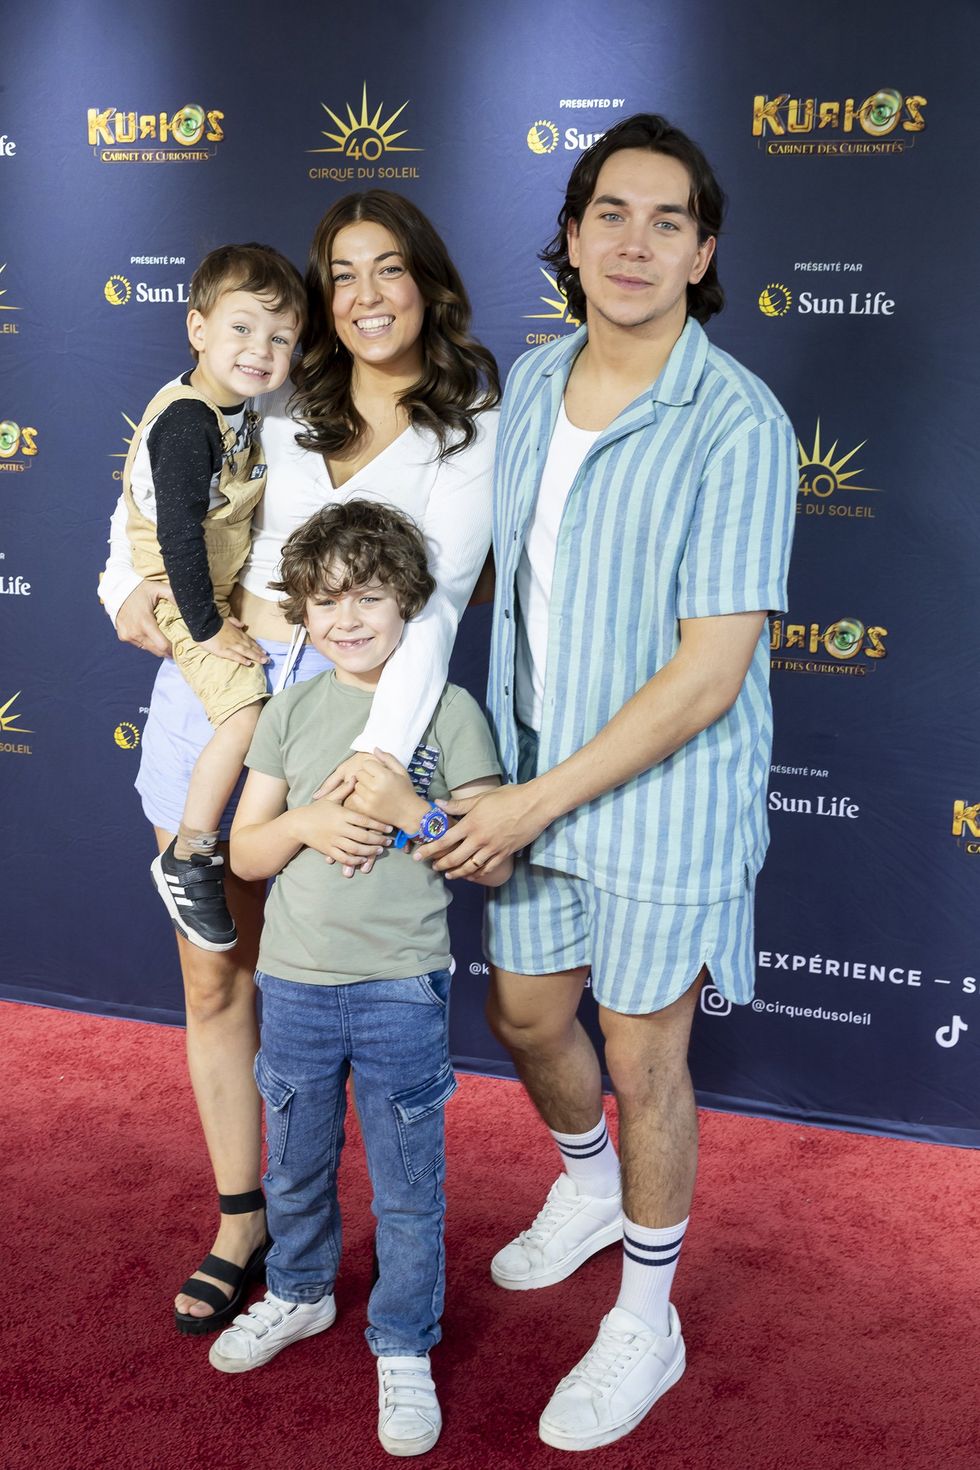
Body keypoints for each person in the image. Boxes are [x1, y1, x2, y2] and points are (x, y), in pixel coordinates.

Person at [416, 114, 796, 1450]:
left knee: (646, 1053)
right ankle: (587, 1187)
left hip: (662, 801)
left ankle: (648, 1312)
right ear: (570, 241)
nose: (636, 244)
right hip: (530, 782)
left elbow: (706, 676)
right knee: (526, 1017)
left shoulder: (737, 421)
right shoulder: (528, 382)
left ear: (704, 254)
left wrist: (532, 800)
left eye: (668, 221)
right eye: (610, 217)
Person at [99, 191, 500, 1334]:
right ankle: (245, 1218)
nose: (366, 296)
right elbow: (165, 497)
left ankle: (336, 1238)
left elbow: (436, 609)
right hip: (218, 696)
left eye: (389, 270)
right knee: (215, 975)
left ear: (426, 281)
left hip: (348, 727)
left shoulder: (464, 415)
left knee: (320, 980)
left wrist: (372, 765)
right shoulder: (277, 393)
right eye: (342, 274)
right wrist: (118, 588)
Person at [208, 500, 510, 1459]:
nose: (347, 618)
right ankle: (297, 1293)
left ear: (408, 602)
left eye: (370, 596)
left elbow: (491, 858)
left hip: (399, 989)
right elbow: (247, 854)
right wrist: (306, 825)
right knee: (292, 1166)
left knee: (408, 1186)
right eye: (326, 600)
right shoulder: (293, 708)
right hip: (294, 985)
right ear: (300, 609)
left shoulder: (446, 709)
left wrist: (408, 809)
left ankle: (404, 1343)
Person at [119, 243, 306, 953]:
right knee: (242, 712)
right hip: (182, 591)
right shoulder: (189, 420)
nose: (261, 348)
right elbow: (177, 537)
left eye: (280, 337)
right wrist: (208, 626)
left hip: (209, 587)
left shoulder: (241, 410)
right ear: (197, 328)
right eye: (242, 327)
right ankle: (190, 855)